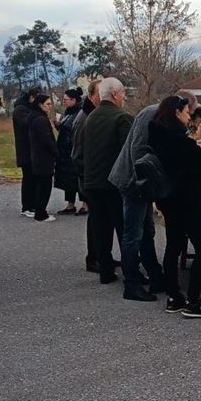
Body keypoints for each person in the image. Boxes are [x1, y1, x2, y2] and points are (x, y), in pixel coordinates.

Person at [109, 91, 199, 302]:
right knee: (133, 234)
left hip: (142, 182)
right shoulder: (151, 114)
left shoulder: (159, 116)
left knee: (146, 230)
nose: (189, 116)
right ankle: (131, 283)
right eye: (189, 111)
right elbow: (138, 150)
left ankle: (155, 275)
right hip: (134, 181)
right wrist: (151, 180)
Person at [148, 96, 201, 317]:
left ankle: (174, 296)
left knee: (173, 246)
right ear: (177, 113)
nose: (189, 116)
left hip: (168, 200)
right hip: (187, 200)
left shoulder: (156, 137)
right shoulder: (182, 142)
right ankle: (193, 301)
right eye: (187, 112)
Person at [83, 78, 133, 285]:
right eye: (122, 93)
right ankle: (131, 272)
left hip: (92, 181)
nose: (124, 97)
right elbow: (128, 153)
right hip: (114, 182)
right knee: (124, 228)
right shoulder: (122, 118)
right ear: (114, 94)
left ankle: (105, 269)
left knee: (101, 227)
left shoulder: (90, 117)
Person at [72, 79, 100, 271]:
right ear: (90, 96)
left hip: (94, 176)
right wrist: (86, 178)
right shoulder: (84, 119)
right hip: (89, 178)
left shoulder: (93, 115)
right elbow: (77, 154)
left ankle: (102, 255)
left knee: (101, 219)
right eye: (99, 94)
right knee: (96, 219)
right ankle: (93, 258)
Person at [12, 87, 41, 217]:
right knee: (28, 179)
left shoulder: (27, 109)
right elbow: (26, 124)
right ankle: (27, 206)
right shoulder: (20, 110)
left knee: (33, 179)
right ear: (31, 97)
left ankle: (33, 204)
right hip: (25, 150)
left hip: (32, 150)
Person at [28, 94, 57, 222]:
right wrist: (56, 152)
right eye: (48, 104)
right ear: (40, 105)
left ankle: (40, 210)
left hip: (39, 156)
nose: (50, 106)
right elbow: (46, 139)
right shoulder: (40, 119)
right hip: (43, 157)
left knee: (41, 185)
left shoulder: (36, 117)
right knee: (44, 186)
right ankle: (41, 213)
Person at [54, 87, 84, 214]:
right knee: (68, 179)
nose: (64, 102)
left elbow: (76, 130)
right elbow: (65, 129)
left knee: (78, 177)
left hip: (74, 149)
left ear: (73, 100)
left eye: (66, 99)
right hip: (65, 151)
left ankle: (86, 204)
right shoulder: (68, 112)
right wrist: (58, 126)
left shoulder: (81, 112)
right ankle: (70, 204)